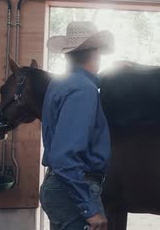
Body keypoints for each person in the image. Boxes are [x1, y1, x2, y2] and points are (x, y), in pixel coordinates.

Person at [40, 21, 113, 230]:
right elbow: (64, 156)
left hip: (60, 186)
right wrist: (90, 210)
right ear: (96, 52)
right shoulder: (84, 90)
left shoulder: (59, 84)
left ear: (68, 54)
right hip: (75, 190)